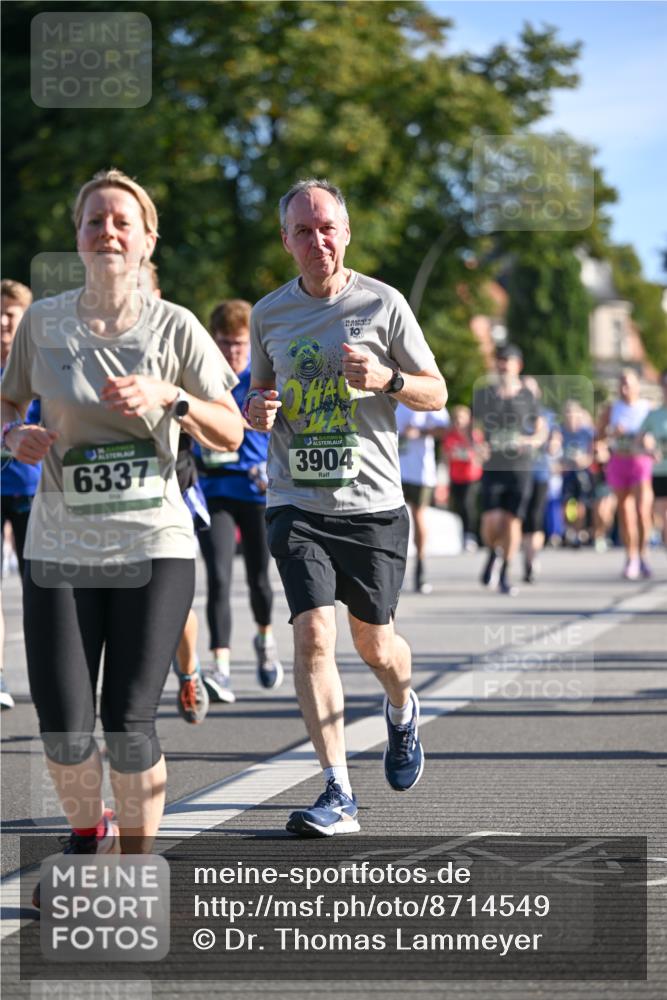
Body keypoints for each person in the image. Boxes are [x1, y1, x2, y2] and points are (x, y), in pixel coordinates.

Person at [0, 169, 242, 896]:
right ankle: (86, 837)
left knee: (128, 722)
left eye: (121, 222)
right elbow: (8, 402)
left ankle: (135, 870)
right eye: (94, 221)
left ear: (146, 240)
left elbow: (229, 431)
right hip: (58, 547)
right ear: (78, 237)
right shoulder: (43, 322)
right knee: (65, 726)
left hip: (152, 544)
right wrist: (16, 437)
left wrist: (173, 397)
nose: (108, 231)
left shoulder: (175, 328)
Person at [247, 178, 446, 836]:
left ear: (346, 231)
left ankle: (400, 706)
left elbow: (436, 392)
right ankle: (337, 790)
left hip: (372, 505)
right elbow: (256, 398)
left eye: (327, 226)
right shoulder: (268, 314)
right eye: (302, 230)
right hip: (295, 501)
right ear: (285, 241)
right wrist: (256, 409)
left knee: (376, 645)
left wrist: (388, 379)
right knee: (311, 635)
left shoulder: (383, 305)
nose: (317, 239)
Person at [194, 298, 282, 703]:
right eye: (226, 343)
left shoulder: (263, 376)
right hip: (215, 491)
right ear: (214, 342)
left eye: (240, 344)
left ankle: (265, 638)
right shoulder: (202, 377)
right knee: (217, 577)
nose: (233, 351)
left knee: (259, 579)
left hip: (256, 492)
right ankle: (221, 666)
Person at [139, 259, 210, 725]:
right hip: (106, 500)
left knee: (173, 599)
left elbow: (220, 422)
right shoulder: (84, 344)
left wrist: (171, 399)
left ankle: (188, 672)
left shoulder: (179, 342)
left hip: (172, 485)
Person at [473, 344, 542, 596]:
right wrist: (477, 445)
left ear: (518, 365)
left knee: (513, 520)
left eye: (508, 361)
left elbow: (540, 429)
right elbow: (474, 426)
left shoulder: (528, 395)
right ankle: (493, 552)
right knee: (491, 521)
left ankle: (505, 572)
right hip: (493, 465)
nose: (503, 365)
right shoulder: (485, 394)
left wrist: (530, 441)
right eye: (500, 361)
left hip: (520, 467)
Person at [1, 279, 39, 709]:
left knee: (39, 589)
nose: (3, 321)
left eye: (11, 313)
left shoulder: (40, 365)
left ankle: (45, 672)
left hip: (33, 488)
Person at [597, 369, 653, 579]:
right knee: (625, 513)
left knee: (642, 511)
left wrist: (648, 441)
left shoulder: (647, 408)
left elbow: (657, 434)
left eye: (628, 384)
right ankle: (631, 557)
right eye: (620, 384)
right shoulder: (612, 409)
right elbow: (599, 435)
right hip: (619, 462)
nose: (623, 388)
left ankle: (643, 552)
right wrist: (609, 436)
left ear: (638, 386)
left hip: (640, 462)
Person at [396, 402, 449, 593]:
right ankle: (394, 569)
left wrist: (420, 431)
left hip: (420, 471)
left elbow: (444, 428)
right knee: (393, 519)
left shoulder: (420, 394)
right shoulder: (385, 394)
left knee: (419, 516)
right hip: (394, 470)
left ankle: (420, 566)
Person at [441, 405, 483, 551]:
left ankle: (471, 535)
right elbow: (446, 456)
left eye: (462, 418)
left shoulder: (474, 435)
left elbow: (481, 454)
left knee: (468, 505)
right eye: (456, 419)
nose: (459, 422)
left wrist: (471, 455)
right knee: (457, 506)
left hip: (472, 477)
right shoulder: (450, 436)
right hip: (455, 477)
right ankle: (461, 535)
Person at [559, 400, 595, 548]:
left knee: (580, 504)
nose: (571, 417)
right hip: (566, 473)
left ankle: (579, 531)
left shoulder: (587, 432)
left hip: (582, 472)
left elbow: (592, 453)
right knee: (566, 504)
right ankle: (569, 530)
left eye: (574, 413)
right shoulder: (560, 431)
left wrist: (584, 460)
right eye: (568, 413)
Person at [639, 369, 667, 548]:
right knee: (662, 518)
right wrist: (647, 447)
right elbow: (640, 439)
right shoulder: (653, 415)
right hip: (659, 472)